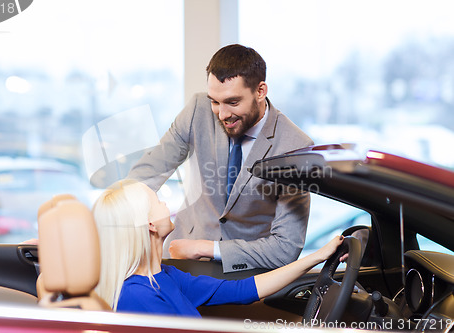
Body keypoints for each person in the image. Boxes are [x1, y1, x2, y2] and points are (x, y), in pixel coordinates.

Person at [127, 44, 314, 273]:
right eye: (215, 101)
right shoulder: (198, 109)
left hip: (246, 274)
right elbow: (149, 173)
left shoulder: (295, 146)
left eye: (233, 102)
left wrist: (206, 248)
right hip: (179, 262)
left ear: (260, 91)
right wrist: (114, 212)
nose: (222, 114)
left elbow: (286, 248)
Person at [92, 180, 344, 316]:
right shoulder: (137, 296)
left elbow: (244, 290)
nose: (165, 202)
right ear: (149, 224)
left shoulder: (165, 277)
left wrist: (318, 256)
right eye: (157, 201)